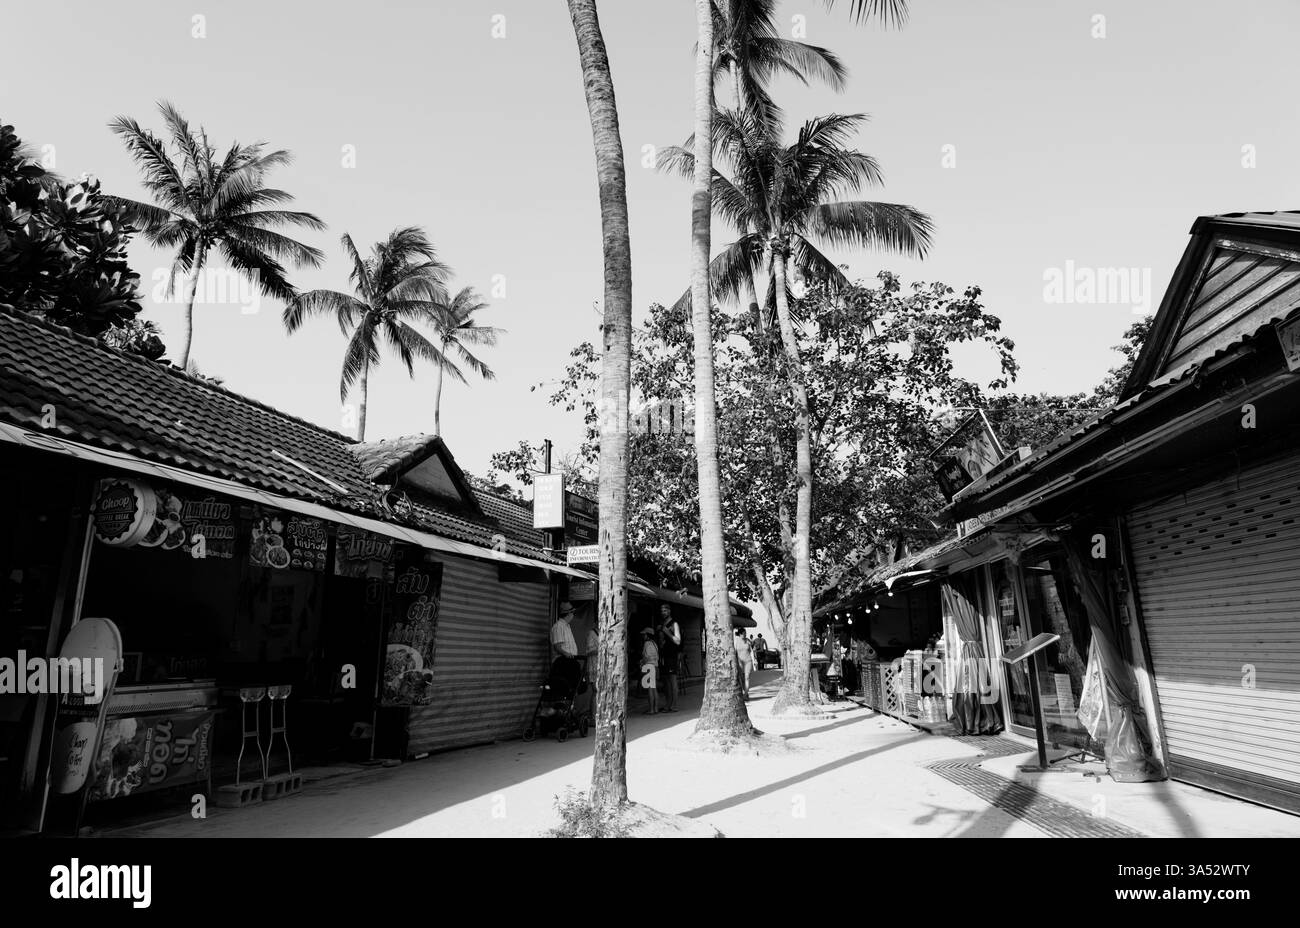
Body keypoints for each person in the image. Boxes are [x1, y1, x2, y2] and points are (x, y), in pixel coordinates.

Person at [549, 602, 581, 695]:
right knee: (564, 689)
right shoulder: (558, 626)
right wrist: (566, 653)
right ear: (568, 614)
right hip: (563, 662)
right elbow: (557, 646)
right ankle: (560, 708)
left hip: (570, 661)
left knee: (575, 688)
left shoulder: (567, 626)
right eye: (572, 613)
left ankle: (569, 708)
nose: (573, 615)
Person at [657, 604, 681, 712]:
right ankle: (668, 704)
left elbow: (678, 641)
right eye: (662, 610)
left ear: (669, 611)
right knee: (666, 682)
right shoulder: (662, 624)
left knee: (672, 681)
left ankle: (674, 705)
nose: (663, 612)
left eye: (665, 610)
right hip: (663, 655)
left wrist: (667, 632)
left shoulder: (674, 624)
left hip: (672, 655)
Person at [639, 627, 659, 714]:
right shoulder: (655, 644)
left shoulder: (646, 644)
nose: (643, 636)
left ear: (648, 635)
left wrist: (641, 662)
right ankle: (656, 708)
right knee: (654, 689)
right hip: (655, 666)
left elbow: (646, 657)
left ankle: (651, 709)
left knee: (650, 689)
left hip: (648, 666)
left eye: (644, 634)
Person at [734, 628, 754, 698]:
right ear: (740, 634)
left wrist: (755, 661)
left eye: (746, 633)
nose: (745, 635)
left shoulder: (748, 640)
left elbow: (752, 652)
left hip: (748, 661)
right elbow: (734, 653)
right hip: (740, 662)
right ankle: (746, 693)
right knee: (742, 679)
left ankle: (745, 694)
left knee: (747, 678)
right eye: (744, 633)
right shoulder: (736, 641)